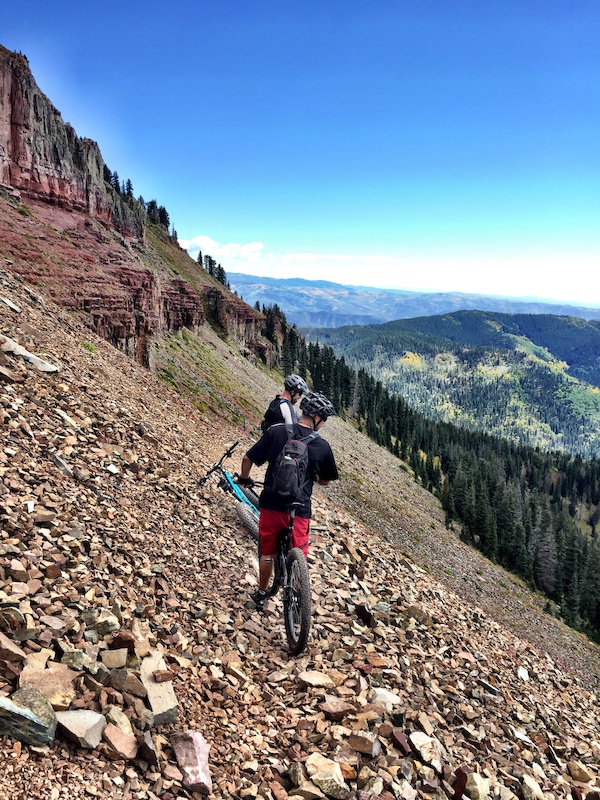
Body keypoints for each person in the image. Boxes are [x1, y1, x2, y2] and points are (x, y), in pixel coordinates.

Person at [238, 391, 339, 611]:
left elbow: (248, 458)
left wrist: (245, 480)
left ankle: (263, 593)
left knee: (267, 552)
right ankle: (298, 602)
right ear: (318, 418)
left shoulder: (276, 431)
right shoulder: (321, 446)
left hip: (271, 504)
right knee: (299, 553)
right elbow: (324, 481)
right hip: (299, 510)